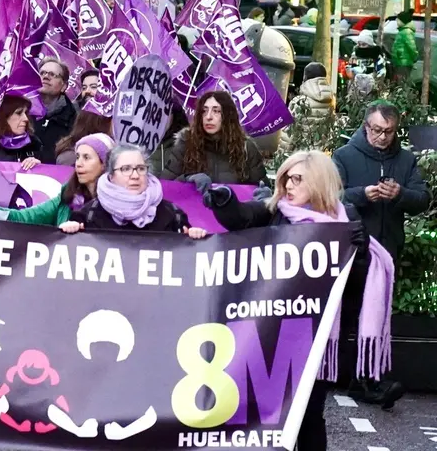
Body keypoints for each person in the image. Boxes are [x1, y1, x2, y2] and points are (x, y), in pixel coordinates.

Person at [204, 150, 397, 438]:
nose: (288, 187)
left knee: (309, 416)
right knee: (266, 417)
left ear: (319, 182)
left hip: (318, 337)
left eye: (296, 179)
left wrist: (360, 255)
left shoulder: (346, 218)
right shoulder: (274, 210)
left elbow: (354, 287)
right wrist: (224, 200)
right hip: (270, 333)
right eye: (284, 179)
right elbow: (242, 217)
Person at [333, 102, 429, 268]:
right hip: (351, 252)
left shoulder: (406, 159)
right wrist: (362, 195)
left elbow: (422, 200)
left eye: (389, 131)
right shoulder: (343, 156)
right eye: (377, 130)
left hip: (390, 253)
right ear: (366, 126)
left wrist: (400, 194)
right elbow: (330, 199)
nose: (383, 137)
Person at [68, 144, 207, 236]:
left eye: (140, 169)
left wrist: (193, 236)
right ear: (111, 176)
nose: (135, 176)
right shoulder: (89, 214)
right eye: (126, 169)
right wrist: (70, 231)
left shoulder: (172, 214)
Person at [0, 133, 115, 227]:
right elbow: (25, 217)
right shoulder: (66, 195)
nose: (78, 163)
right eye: (78, 157)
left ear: (105, 163)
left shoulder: (119, 201)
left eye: (87, 158)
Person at [162, 90, 265, 186]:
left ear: (228, 115)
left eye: (216, 111)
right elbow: (166, 186)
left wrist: (263, 193)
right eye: (204, 111)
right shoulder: (185, 143)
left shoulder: (246, 148)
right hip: (193, 205)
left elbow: (262, 190)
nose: (208, 117)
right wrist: (187, 179)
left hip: (232, 205)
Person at [32, 58, 76, 164]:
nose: (46, 76)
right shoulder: (20, 110)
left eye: (52, 74)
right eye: (42, 73)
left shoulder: (75, 119)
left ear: (63, 86)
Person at [0, 94, 42, 168]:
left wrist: (39, 166)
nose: (26, 119)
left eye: (26, 113)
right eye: (19, 113)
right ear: (3, 116)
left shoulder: (35, 145)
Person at [391, 10, 419, 82]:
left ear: (403, 21)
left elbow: (412, 47)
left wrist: (415, 57)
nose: (396, 21)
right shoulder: (402, 31)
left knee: (402, 84)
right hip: (400, 62)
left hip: (403, 63)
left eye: (398, 19)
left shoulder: (406, 32)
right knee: (399, 83)